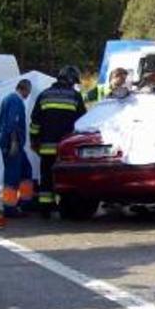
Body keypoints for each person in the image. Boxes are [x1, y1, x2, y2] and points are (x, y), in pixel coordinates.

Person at [30, 66, 86, 218]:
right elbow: (83, 121)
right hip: (66, 149)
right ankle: (65, 208)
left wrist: (34, 140)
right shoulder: (75, 96)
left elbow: (35, 122)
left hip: (46, 148)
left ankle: (45, 209)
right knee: (66, 178)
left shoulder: (44, 95)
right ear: (70, 80)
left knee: (46, 177)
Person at [0, 79, 33, 217]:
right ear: (24, 89)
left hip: (11, 143)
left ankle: (24, 203)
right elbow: (13, 123)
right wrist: (13, 142)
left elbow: (0, 124)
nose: (28, 95)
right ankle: (10, 208)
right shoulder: (16, 101)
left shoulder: (6, 99)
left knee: (26, 170)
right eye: (28, 92)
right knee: (12, 176)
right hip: (14, 144)